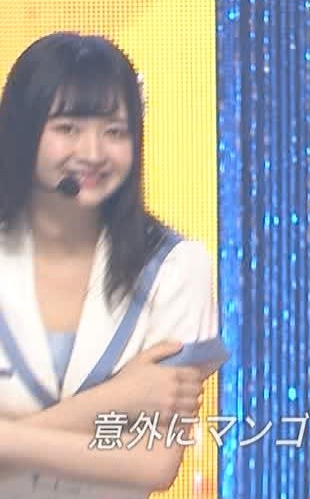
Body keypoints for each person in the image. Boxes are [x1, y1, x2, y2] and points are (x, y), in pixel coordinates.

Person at [0, 32, 226, 496]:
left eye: (114, 131)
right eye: (68, 129)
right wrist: (116, 399)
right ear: (23, 133)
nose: (93, 153)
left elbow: (153, 464)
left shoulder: (177, 267)